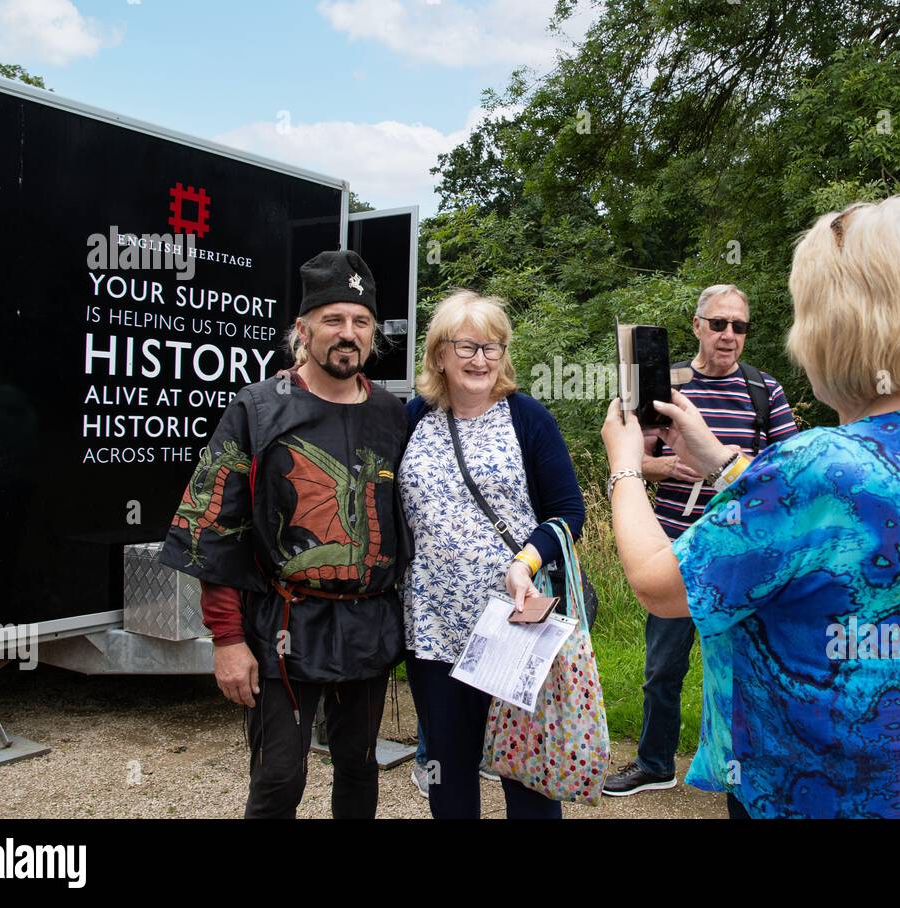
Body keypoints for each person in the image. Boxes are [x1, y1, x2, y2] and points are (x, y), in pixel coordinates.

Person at [600, 194, 900, 818]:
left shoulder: (813, 465)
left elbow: (657, 585)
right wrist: (720, 458)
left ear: (839, 322)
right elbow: (829, 519)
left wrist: (624, 461)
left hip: (807, 789)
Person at [160, 249, 408, 819]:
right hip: (283, 623)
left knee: (358, 767)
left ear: (373, 332)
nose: (348, 334)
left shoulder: (394, 415)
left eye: (361, 322)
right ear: (303, 329)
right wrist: (226, 640)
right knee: (278, 778)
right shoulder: (258, 409)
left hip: (369, 622)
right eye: (333, 320)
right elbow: (216, 530)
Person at [604, 284, 798, 797]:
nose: (729, 335)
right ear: (696, 326)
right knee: (662, 668)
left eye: (740, 326)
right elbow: (631, 455)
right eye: (719, 324)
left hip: (740, 557)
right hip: (671, 548)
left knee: (745, 672)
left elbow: (790, 479)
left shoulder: (765, 391)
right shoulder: (662, 386)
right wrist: (661, 466)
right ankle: (654, 762)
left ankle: (746, 776)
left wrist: (723, 465)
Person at [399, 289, 586, 819]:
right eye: (467, 347)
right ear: (439, 354)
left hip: (513, 626)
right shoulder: (414, 417)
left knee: (525, 774)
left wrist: (526, 559)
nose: (481, 359)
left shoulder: (527, 417)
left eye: (493, 348)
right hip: (435, 629)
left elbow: (570, 510)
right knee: (448, 773)